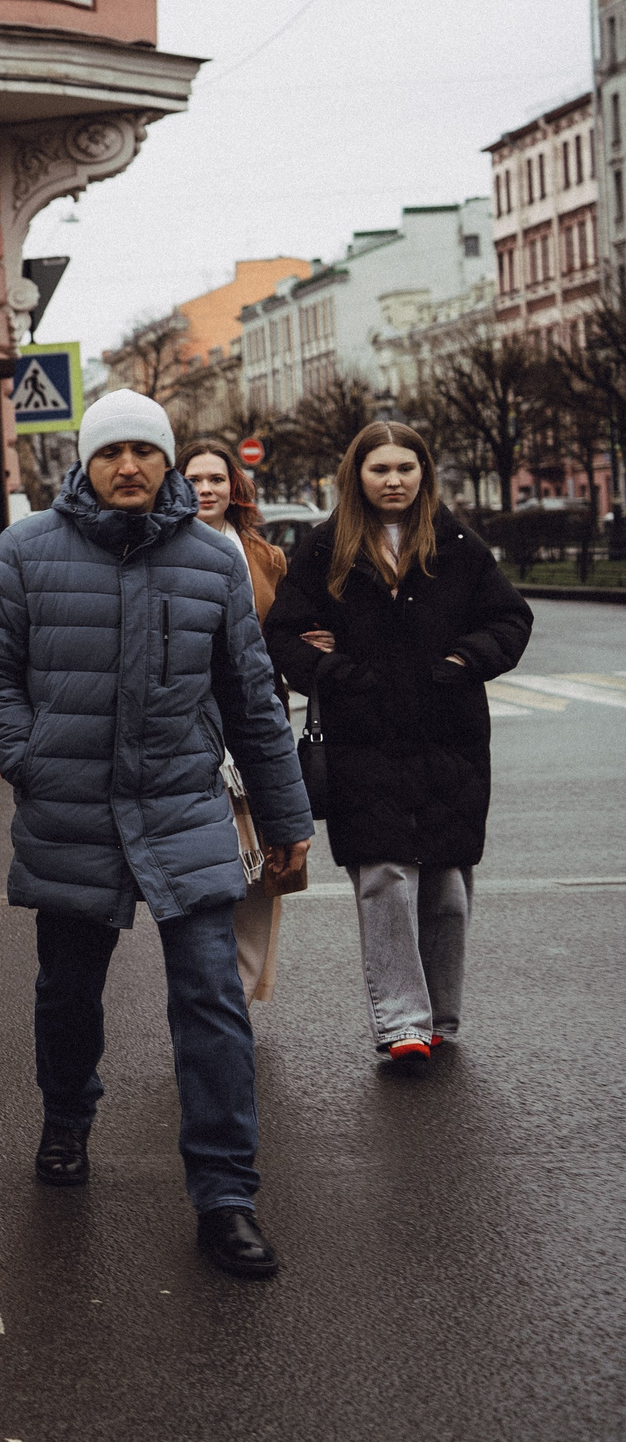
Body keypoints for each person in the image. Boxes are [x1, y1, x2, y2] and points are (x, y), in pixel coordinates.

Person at [0, 389, 311, 1282]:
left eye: (143, 452)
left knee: (210, 998)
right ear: (86, 460)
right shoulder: (27, 548)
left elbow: (250, 700)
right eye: (111, 450)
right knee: (69, 991)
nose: (128, 466)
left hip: (181, 805)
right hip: (71, 808)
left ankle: (227, 1196)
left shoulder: (210, 559)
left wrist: (285, 820)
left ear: (166, 463)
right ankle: (67, 1116)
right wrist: (29, 757)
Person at [263, 422, 531, 1071]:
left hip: (450, 736)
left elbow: (511, 619)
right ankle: (401, 1022)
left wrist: (465, 659)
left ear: (423, 472)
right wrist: (331, 672)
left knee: (444, 884)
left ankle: (438, 1016)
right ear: (357, 474)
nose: (393, 480)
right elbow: (284, 633)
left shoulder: (457, 543)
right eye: (379, 468)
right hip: (365, 738)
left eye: (405, 467)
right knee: (383, 875)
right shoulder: (327, 545)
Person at [178, 438, 297, 1005]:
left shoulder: (264, 555)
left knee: (263, 869)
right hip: (193, 732)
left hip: (252, 725)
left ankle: (243, 993)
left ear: (234, 488)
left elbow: (288, 633)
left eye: (216, 479)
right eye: (195, 479)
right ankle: (212, 994)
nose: (206, 489)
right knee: (210, 865)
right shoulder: (163, 549)